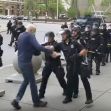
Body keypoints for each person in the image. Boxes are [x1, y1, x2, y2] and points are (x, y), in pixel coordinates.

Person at [11, 24, 60, 110]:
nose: (35, 34)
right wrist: (51, 51)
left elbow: (26, 48)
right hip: (27, 63)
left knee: (26, 81)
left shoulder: (21, 35)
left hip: (20, 62)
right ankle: (36, 102)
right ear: (32, 31)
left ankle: (16, 100)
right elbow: (37, 46)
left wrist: (36, 51)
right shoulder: (30, 35)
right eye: (35, 32)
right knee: (33, 83)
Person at [56, 29, 93, 104]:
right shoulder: (60, 44)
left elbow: (84, 50)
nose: (62, 36)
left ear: (68, 35)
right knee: (70, 81)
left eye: (63, 34)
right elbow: (53, 48)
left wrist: (77, 55)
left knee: (84, 79)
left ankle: (89, 98)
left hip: (79, 64)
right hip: (70, 65)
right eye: (61, 34)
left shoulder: (75, 43)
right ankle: (68, 97)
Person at [39, 31, 67, 99]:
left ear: (52, 37)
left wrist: (45, 47)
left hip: (56, 64)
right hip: (48, 64)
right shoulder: (46, 43)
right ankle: (41, 94)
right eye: (46, 37)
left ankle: (66, 90)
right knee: (44, 78)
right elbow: (39, 46)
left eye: (48, 37)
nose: (47, 39)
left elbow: (52, 48)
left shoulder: (56, 44)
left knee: (60, 78)